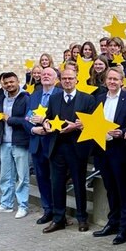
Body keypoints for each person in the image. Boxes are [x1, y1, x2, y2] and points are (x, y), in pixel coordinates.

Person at [42, 69, 96, 233]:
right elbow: (48, 117)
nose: (67, 81)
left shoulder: (87, 99)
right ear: (60, 80)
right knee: (57, 184)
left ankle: (82, 218)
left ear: (76, 80)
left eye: (70, 78)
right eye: (64, 78)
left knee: (79, 184)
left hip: (77, 148)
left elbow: (94, 123)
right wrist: (46, 123)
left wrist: (78, 125)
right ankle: (59, 219)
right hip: (57, 147)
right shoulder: (54, 98)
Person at [92, 68, 126, 245]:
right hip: (102, 149)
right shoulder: (100, 99)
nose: (112, 82)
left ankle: (124, 228)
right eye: (109, 79)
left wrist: (122, 132)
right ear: (105, 81)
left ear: (122, 82)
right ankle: (112, 222)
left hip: (120, 149)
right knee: (110, 188)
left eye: (115, 79)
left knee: (122, 189)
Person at [0, 72, 31, 219]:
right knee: (5, 176)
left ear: (18, 81)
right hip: (4, 142)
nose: (9, 85)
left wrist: (10, 119)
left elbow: (28, 120)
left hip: (20, 142)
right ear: (3, 84)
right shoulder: (0, 99)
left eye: (12, 82)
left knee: (22, 176)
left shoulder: (26, 98)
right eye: (6, 83)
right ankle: (6, 204)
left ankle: (22, 205)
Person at [26, 67, 62, 224]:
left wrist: (46, 124)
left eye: (49, 74)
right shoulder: (34, 95)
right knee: (41, 179)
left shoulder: (60, 95)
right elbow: (26, 117)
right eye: (43, 74)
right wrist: (34, 129)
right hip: (37, 144)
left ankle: (58, 212)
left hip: (54, 144)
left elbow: (62, 118)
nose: (45, 76)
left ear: (56, 79)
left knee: (55, 180)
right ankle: (47, 209)